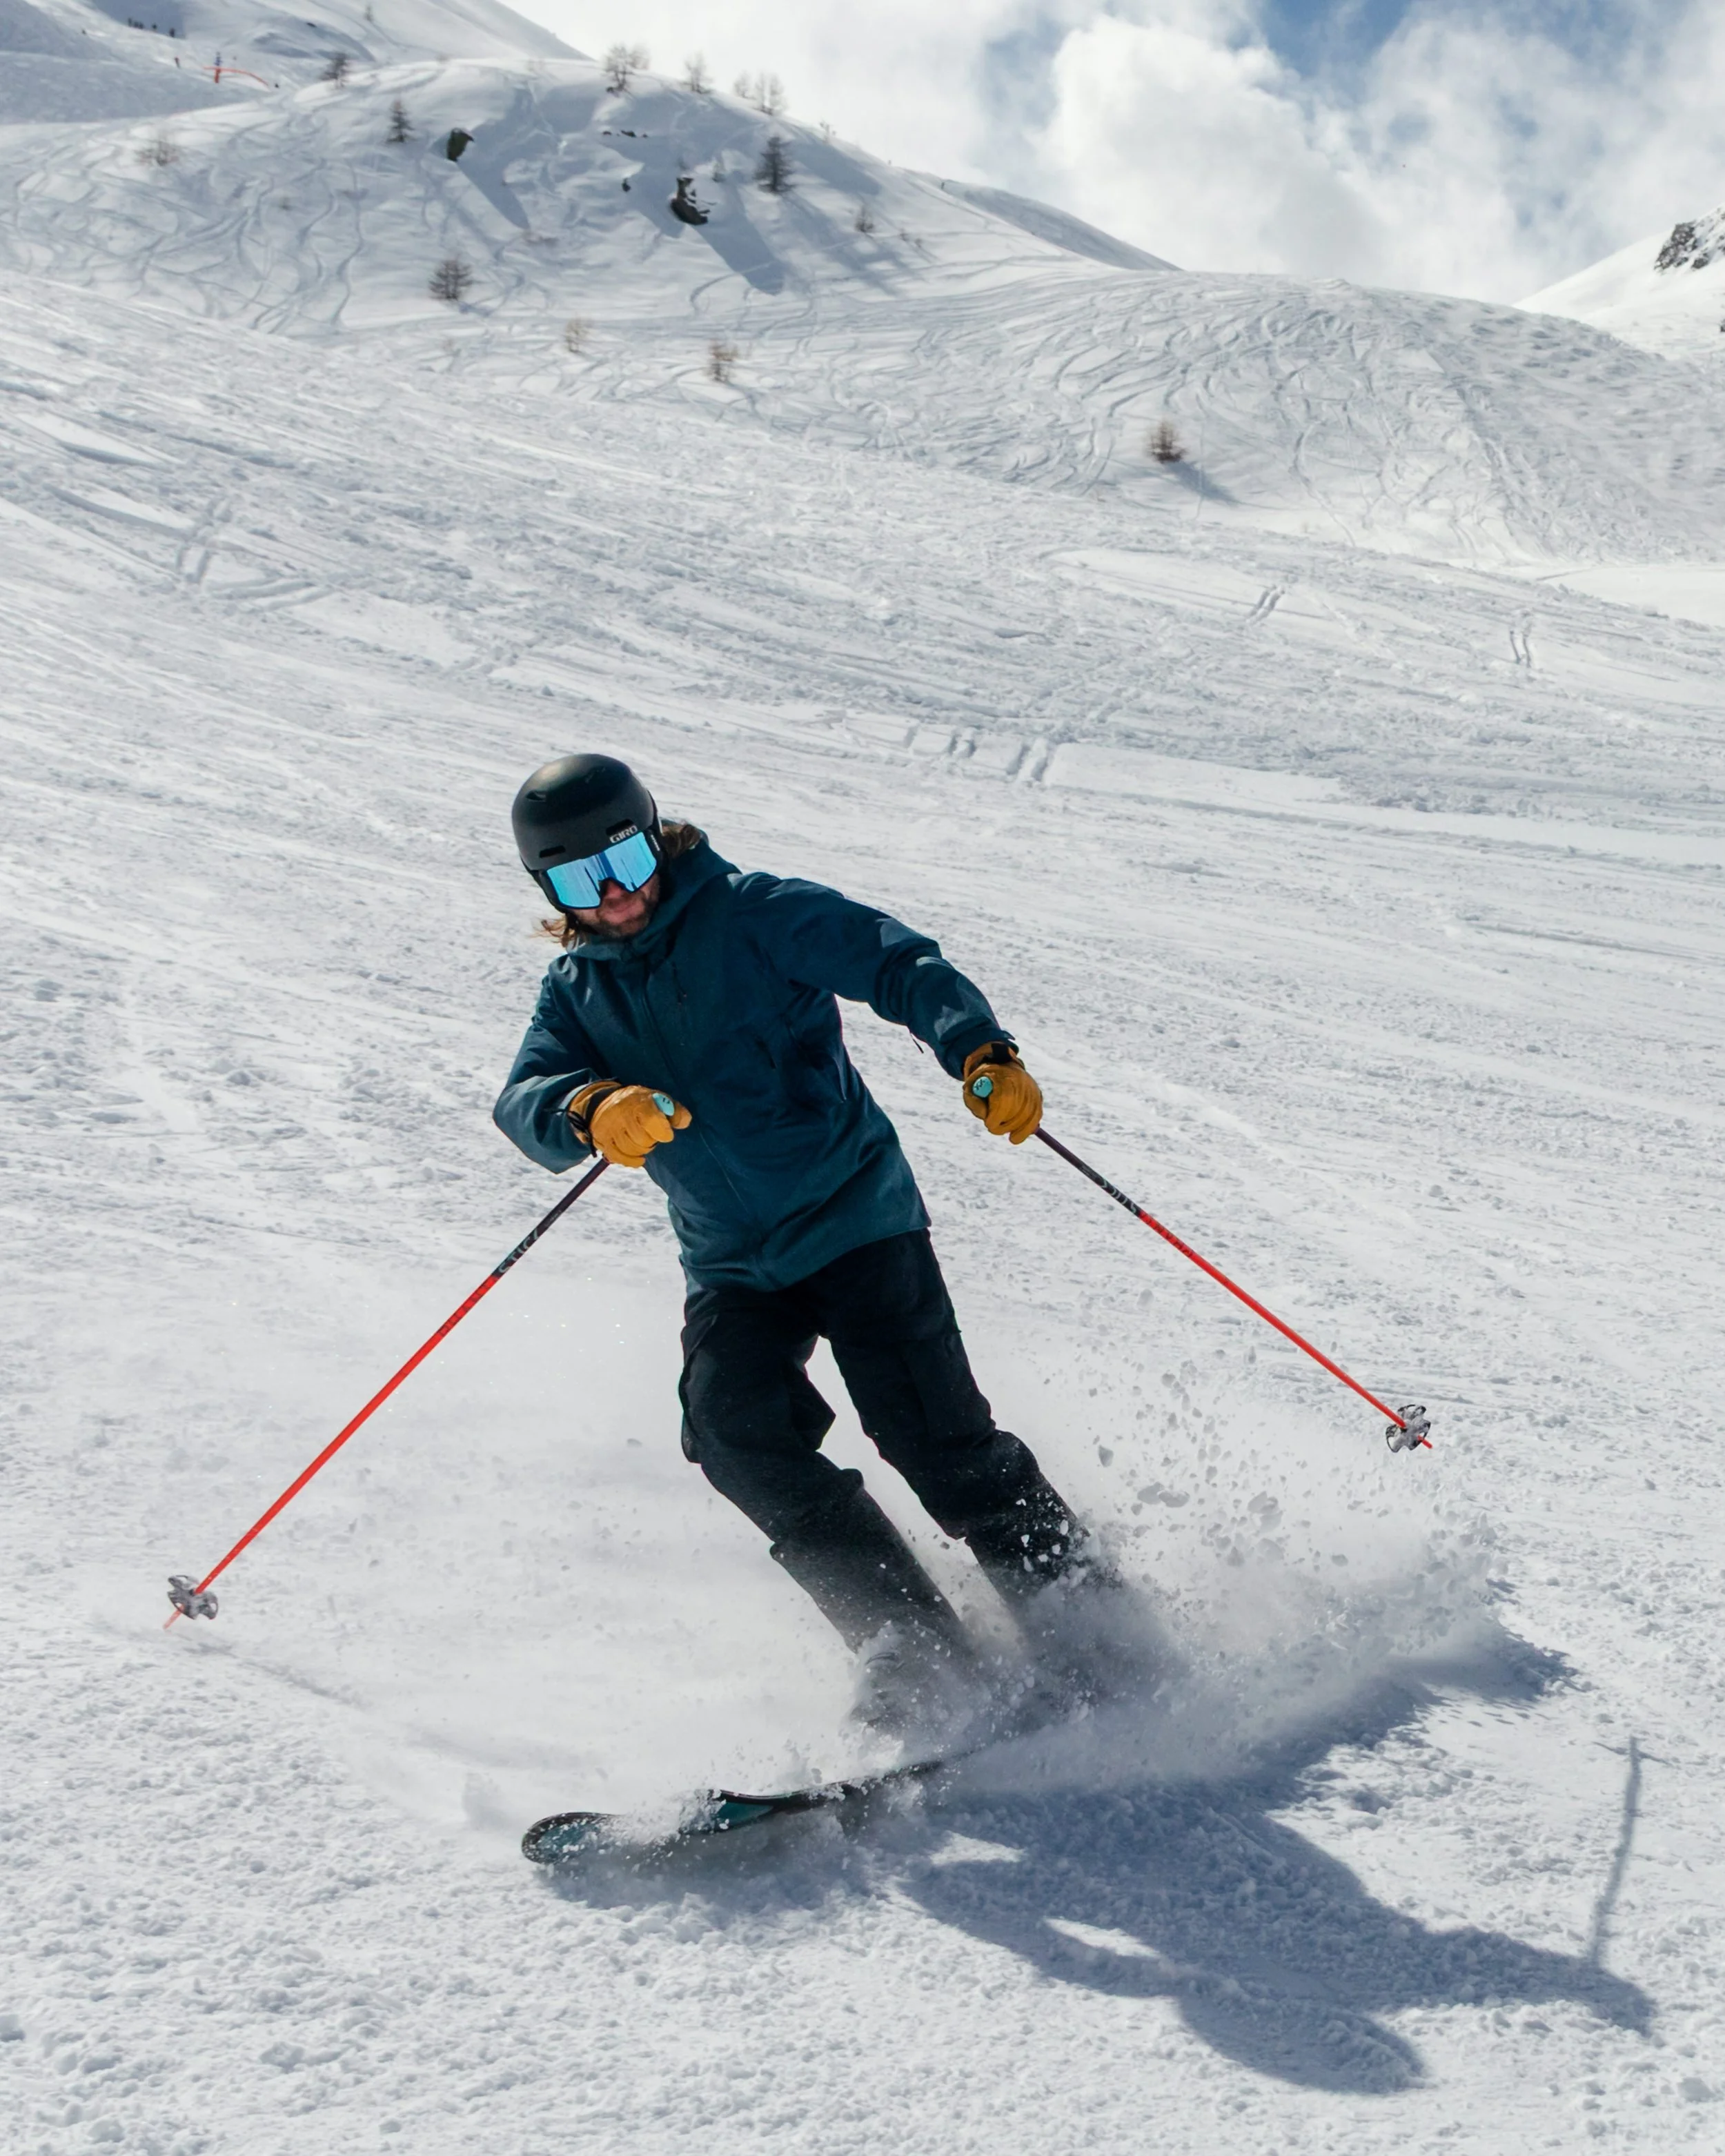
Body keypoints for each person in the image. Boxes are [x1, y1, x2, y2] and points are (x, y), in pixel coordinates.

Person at [494, 752, 1095, 1725]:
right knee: (736, 1433)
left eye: (624, 858)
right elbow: (522, 1100)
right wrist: (586, 1104)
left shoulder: (755, 912)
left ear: (656, 835)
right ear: (549, 891)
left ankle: (1095, 1629)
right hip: (733, 1262)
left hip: (855, 1219)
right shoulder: (577, 993)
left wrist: (978, 1048)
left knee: (934, 1439)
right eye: (577, 881)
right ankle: (918, 1654)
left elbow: (894, 959)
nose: (614, 895)